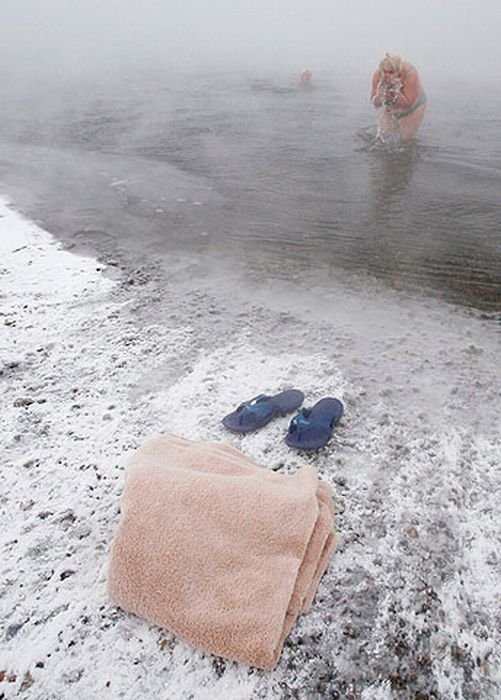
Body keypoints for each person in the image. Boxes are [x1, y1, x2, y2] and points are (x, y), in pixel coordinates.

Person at [370, 52, 426, 142]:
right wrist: (379, 95)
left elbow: (408, 104)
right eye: (385, 71)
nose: (387, 75)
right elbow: (376, 104)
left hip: (414, 106)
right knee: (385, 136)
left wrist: (396, 91)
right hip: (390, 106)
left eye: (391, 72)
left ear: (398, 71)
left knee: (405, 140)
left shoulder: (410, 73)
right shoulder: (378, 76)